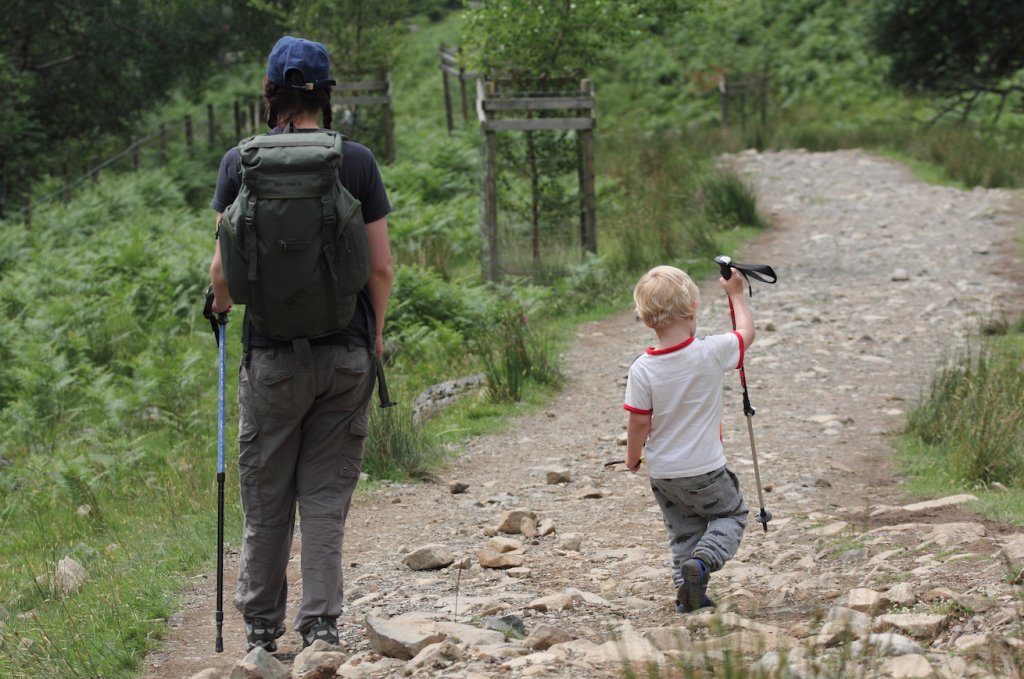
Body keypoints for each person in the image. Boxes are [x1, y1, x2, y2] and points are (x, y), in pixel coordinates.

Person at [208, 36, 394, 651]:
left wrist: (222, 308)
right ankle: (321, 625)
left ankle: (262, 631)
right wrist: (376, 336)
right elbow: (380, 269)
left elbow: (223, 274)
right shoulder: (357, 162)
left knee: (266, 501)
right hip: (344, 354)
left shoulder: (240, 163)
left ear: (271, 94)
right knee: (323, 498)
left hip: (271, 359)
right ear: (327, 95)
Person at [622, 265, 754, 613]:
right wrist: (736, 293)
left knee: (683, 533)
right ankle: (704, 562)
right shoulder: (711, 351)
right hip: (706, 469)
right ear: (693, 309)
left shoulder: (642, 369)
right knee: (732, 514)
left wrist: (632, 457)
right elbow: (745, 333)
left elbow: (638, 422)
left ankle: (688, 595)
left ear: (646, 320)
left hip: (663, 474)